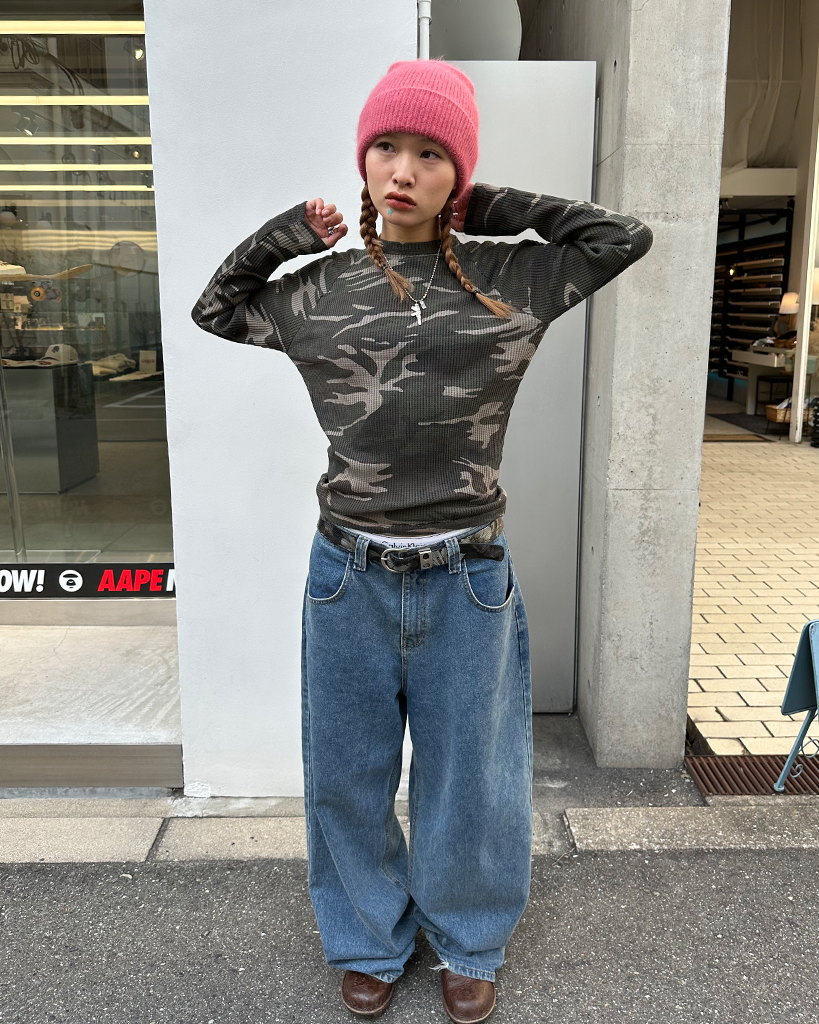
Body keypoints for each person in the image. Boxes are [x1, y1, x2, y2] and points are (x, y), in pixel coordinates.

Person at [191, 57, 653, 1023]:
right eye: (386, 147)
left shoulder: (513, 278)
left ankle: (469, 938)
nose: (402, 170)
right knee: (346, 773)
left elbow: (622, 237)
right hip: (347, 575)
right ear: (363, 159)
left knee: (471, 780)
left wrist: (488, 208)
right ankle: (368, 937)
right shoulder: (320, 290)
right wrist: (283, 236)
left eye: (432, 154)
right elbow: (215, 309)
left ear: (460, 173)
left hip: (467, 575)